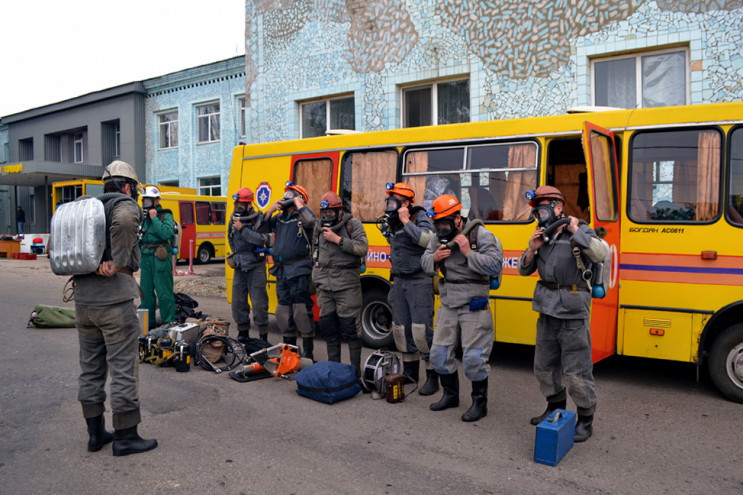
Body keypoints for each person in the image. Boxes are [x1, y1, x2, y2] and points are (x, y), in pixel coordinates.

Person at [74, 160, 157, 456]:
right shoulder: (124, 204)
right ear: (126, 187)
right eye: (132, 189)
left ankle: (95, 434)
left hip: (83, 301)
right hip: (113, 302)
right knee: (123, 368)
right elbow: (123, 223)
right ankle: (125, 436)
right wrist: (119, 262)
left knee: (91, 369)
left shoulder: (86, 208)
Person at [517, 185, 609, 442]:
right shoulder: (542, 236)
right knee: (543, 367)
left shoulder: (580, 230)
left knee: (575, 372)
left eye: (545, 207)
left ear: (558, 207)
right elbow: (524, 270)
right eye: (537, 209)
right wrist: (533, 248)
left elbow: (600, 253)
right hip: (546, 309)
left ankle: (585, 418)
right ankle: (555, 407)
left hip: (572, 311)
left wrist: (574, 229)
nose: (540, 213)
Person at [421, 194, 502, 422]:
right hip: (448, 301)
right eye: (437, 224)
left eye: (445, 224)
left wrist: (469, 253)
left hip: (474, 303)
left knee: (474, 358)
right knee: (438, 354)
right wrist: (434, 258)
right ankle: (450, 395)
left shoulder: (480, 235)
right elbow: (424, 261)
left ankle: (479, 403)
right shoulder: (437, 238)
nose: (441, 229)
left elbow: (495, 264)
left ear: (458, 219)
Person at [379, 182, 437, 394]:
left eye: (393, 201)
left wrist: (405, 221)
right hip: (400, 280)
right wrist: (396, 223)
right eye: (389, 200)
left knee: (422, 330)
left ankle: (433, 377)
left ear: (406, 203)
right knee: (401, 330)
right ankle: (411, 374)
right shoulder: (393, 221)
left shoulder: (419, 216)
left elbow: (429, 240)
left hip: (419, 280)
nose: (389, 204)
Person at [312, 191, 368, 376]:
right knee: (328, 327)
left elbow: (362, 248)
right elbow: (315, 251)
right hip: (324, 285)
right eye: (324, 213)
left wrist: (338, 240)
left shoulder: (353, 224)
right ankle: (334, 370)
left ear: (339, 211)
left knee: (351, 329)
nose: (327, 217)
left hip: (347, 286)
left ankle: (355, 373)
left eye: (330, 214)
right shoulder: (318, 226)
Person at [263, 181, 317, 358]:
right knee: (283, 313)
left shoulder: (303, 217)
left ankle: (308, 354)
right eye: (286, 195)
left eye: (290, 195)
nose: (286, 198)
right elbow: (260, 228)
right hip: (281, 271)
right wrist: (271, 209)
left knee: (301, 311)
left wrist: (299, 203)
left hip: (299, 269)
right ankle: (290, 354)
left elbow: (311, 221)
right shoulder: (280, 218)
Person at [229, 187, 270, 344]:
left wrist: (243, 229)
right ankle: (243, 332)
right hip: (240, 266)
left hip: (256, 266)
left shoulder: (258, 218)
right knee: (238, 302)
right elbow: (229, 236)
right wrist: (236, 254)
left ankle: (262, 335)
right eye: (237, 204)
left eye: (242, 204)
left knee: (259, 303)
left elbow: (260, 239)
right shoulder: (233, 218)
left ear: (249, 205)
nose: (238, 207)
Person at [139, 186, 176, 329]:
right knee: (146, 295)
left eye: (147, 201)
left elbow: (166, 234)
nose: (145, 204)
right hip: (146, 257)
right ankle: (148, 326)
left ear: (156, 201)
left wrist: (154, 219)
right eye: (144, 201)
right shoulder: (143, 218)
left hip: (160, 257)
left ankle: (168, 325)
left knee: (164, 293)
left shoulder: (165, 215)